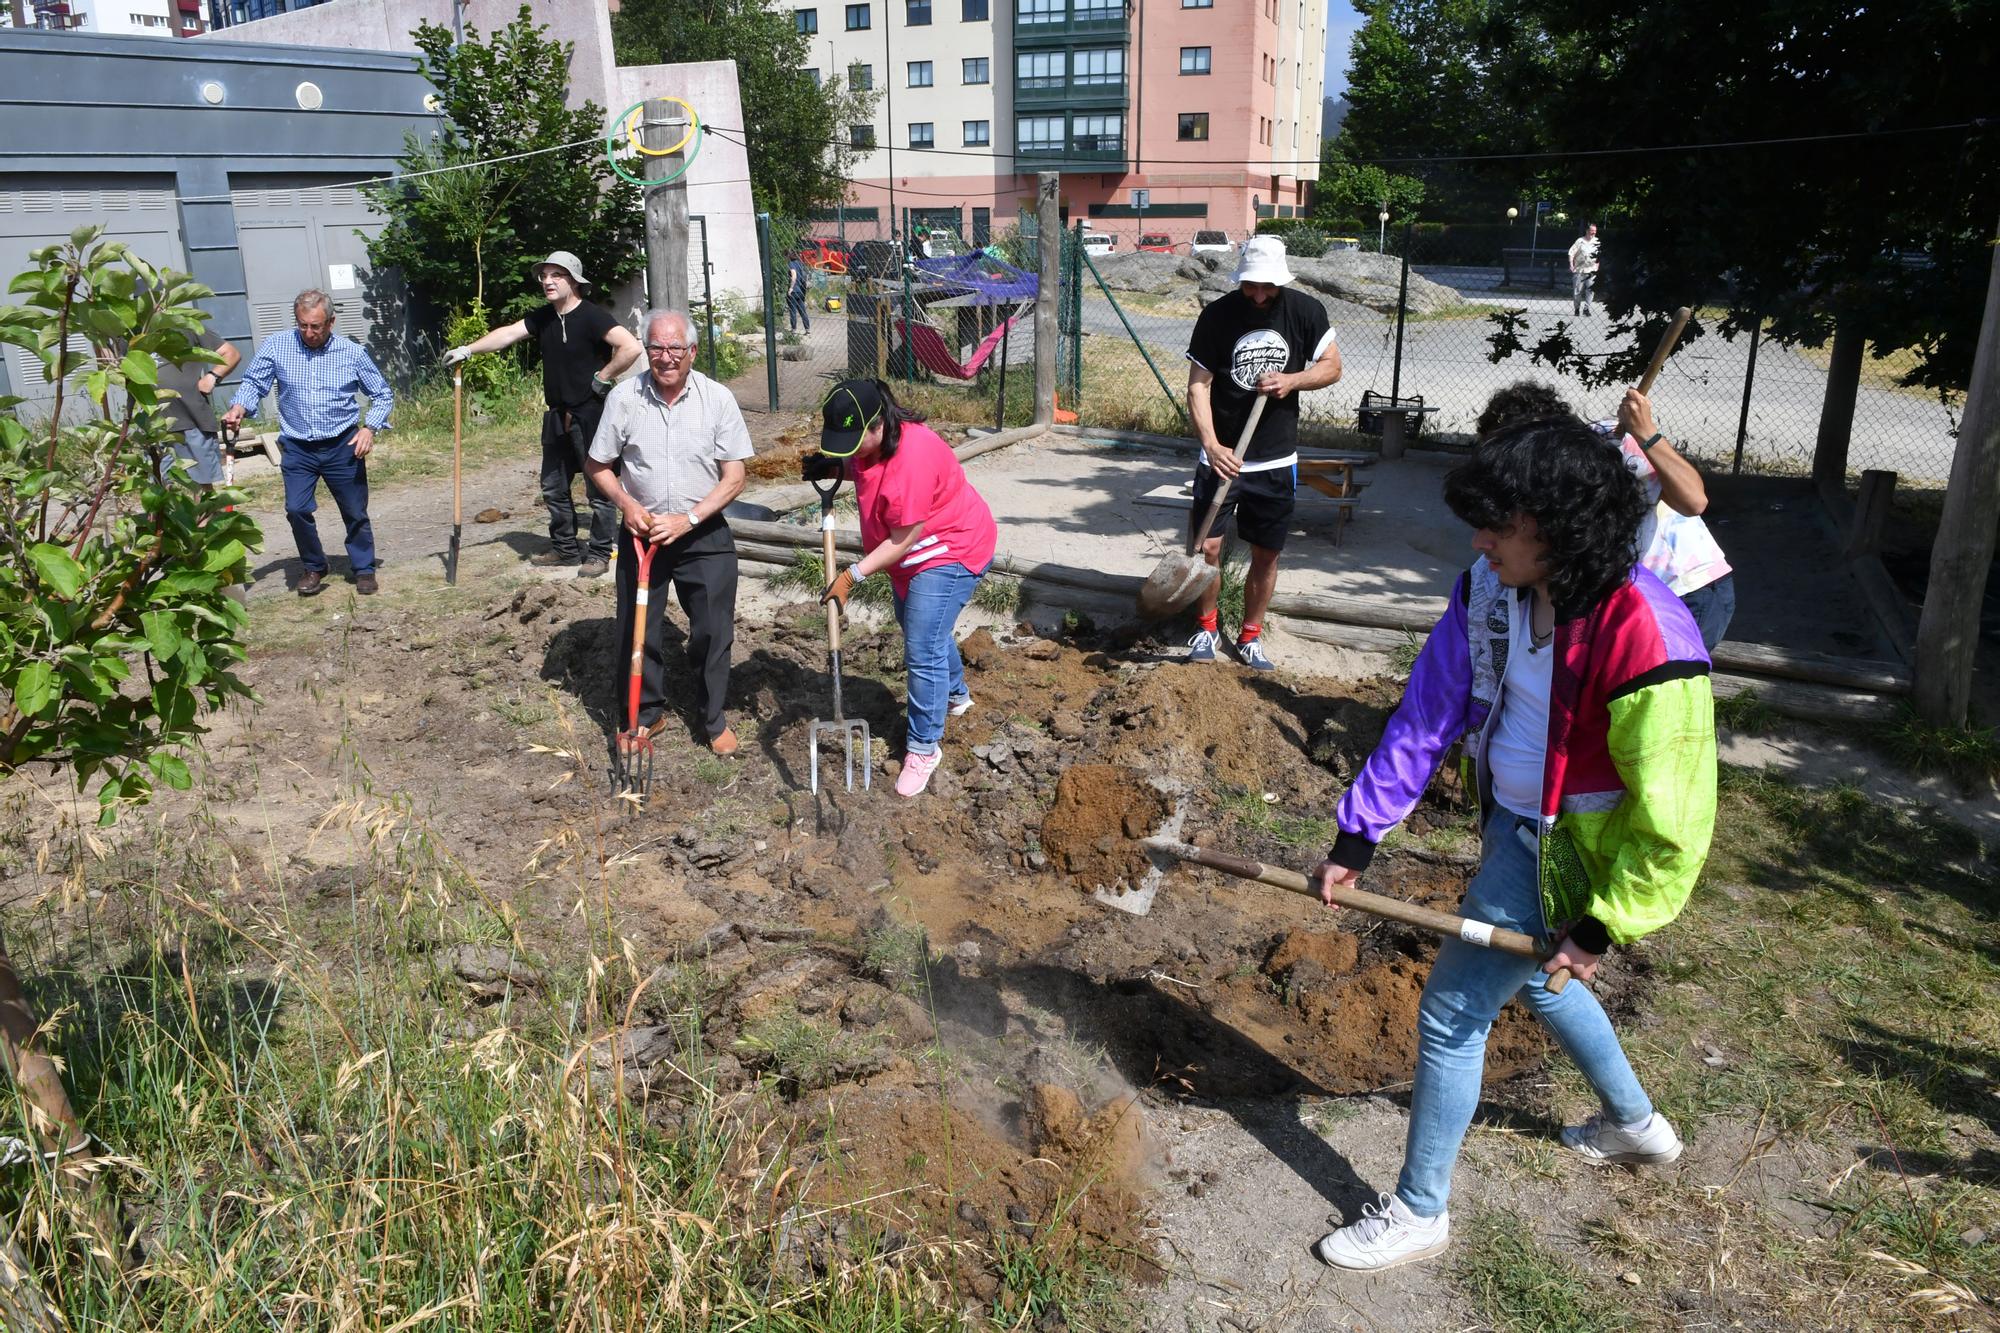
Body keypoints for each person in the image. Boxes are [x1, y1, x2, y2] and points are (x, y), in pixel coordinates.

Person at [1309, 416, 1715, 1272]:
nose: (1480, 540)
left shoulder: (1648, 630)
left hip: (1575, 848)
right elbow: (1430, 708)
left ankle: (1420, 1209)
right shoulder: (1489, 588)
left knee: (1454, 1013)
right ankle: (1636, 1124)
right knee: (1540, 977)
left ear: (1560, 528)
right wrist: (1359, 833)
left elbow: (1675, 815)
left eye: (1500, 524)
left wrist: (1604, 923)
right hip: (1517, 822)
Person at [816, 378, 997, 799]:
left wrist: (851, 576)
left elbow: (902, 540)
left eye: (851, 443)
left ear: (878, 426)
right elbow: (864, 467)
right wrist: (835, 467)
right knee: (921, 629)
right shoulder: (874, 443)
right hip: (910, 560)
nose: (848, 451)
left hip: (951, 549)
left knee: (922, 646)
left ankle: (923, 748)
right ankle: (955, 694)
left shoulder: (911, 459)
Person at [584, 310, 752, 756]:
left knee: (713, 630)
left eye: (675, 348)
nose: (665, 357)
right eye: (656, 347)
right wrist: (627, 505)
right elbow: (597, 465)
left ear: (692, 351)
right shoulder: (624, 399)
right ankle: (644, 716)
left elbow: (734, 477)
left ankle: (713, 719)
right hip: (644, 533)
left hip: (703, 531)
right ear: (647, 351)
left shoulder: (718, 400)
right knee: (638, 630)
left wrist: (690, 519)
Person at [1476, 381, 1736, 650]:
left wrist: (1646, 433)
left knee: (1666, 682)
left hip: (1683, 588)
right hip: (1629, 594)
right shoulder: (1546, 471)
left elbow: (1694, 502)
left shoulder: (1615, 445)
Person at [1183, 234, 1342, 671]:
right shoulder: (1217, 316)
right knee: (1207, 548)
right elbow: (1199, 385)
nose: (1257, 295)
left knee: (1266, 552)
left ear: (1281, 281)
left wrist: (1292, 380)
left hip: (1274, 459)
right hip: (1221, 455)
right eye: (1250, 285)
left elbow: (1332, 367)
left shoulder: (1305, 312)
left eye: (1266, 287)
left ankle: (1251, 635)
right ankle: (1206, 626)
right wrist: (1212, 446)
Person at [446, 251, 642, 578]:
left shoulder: (593, 316)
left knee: (599, 488)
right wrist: (468, 349)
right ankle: (565, 549)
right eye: (544, 276)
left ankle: (599, 551)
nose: (547, 281)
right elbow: (507, 333)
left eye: (556, 275)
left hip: (590, 414)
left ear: (574, 281)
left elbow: (631, 347)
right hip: (556, 415)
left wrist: (603, 376)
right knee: (552, 486)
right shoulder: (544, 317)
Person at [223, 290, 393, 596]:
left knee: (354, 511)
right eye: (303, 325)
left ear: (331, 322)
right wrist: (239, 407)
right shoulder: (278, 346)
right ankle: (315, 566)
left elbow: (382, 394)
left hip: (343, 444)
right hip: (299, 446)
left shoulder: (351, 353)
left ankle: (364, 568)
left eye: (316, 326)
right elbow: (253, 383)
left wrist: (370, 428)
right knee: (296, 509)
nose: (309, 333)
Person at [153, 317, 240, 490]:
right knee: (158, 489)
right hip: (153, 424)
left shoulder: (187, 326)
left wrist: (212, 377)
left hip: (192, 419)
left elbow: (231, 353)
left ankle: (205, 518)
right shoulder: (131, 335)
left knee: (201, 486)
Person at [1568, 223, 1600, 316]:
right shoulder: (1580, 241)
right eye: (1592, 231)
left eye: (1595, 231)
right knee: (1577, 291)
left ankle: (1586, 308)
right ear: (1587, 231)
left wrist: (1597, 266)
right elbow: (1571, 252)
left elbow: (1599, 256)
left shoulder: (1597, 241)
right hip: (1579, 270)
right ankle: (1577, 308)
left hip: (1592, 270)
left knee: (1591, 290)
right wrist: (1571, 264)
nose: (1593, 233)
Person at [786, 255, 812, 334]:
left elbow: (794, 276)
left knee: (793, 311)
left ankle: (793, 329)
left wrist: (791, 288)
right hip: (801, 291)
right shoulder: (800, 264)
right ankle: (807, 329)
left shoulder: (791, 264)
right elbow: (805, 277)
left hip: (794, 291)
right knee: (802, 311)